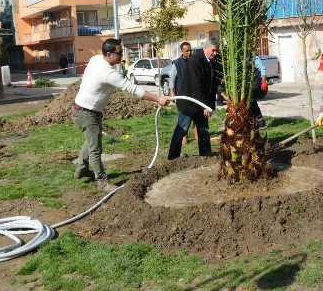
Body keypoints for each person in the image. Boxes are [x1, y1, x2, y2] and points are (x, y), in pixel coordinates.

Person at [73, 38, 171, 191]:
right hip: (87, 113)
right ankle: (102, 182)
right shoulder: (108, 73)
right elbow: (132, 89)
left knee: (92, 139)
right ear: (109, 54)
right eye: (119, 53)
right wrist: (158, 98)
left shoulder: (95, 59)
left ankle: (81, 168)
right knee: (95, 148)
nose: (122, 57)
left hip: (82, 109)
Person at [168, 37, 220, 160]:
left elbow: (211, 86)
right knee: (181, 130)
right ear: (205, 48)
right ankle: (172, 158)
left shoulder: (212, 60)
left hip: (202, 104)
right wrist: (205, 106)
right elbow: (197, 86)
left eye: (217, 51)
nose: (215, 53)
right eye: (213, 50)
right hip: (189, 103)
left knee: (204, 131)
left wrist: (210, 106)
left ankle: (206, 155)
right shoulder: (196, 61)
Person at [168, 41, 196, 144]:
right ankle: (184, 139)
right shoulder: (177, 63)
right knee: (183, 116)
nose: (189, 53)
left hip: (193, 94)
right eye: (187, 51)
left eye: (190, 50)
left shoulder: (194, 60)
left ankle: (197, 137)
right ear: (182, 51)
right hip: (181, 94)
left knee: (195, 116)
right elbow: (172, 79)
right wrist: (172, 93)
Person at [250, 55, 269, 129]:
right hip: (247, 84)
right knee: (251, 102)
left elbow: (262, 68)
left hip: (254, 83)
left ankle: (261, 123)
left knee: (251, 101)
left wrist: (264, 81)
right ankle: (258, 122)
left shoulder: (253, 57)